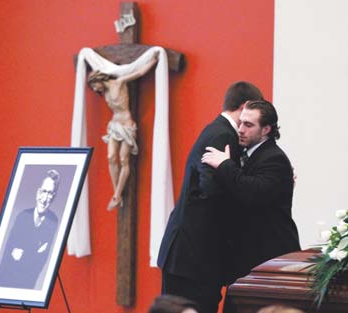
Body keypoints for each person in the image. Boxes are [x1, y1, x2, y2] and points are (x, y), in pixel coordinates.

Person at [157, 82, 264, 313]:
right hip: (193, 259)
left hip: (189, 256)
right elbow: (210, 188)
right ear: (245, 106)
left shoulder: (215, 130)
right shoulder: (223, 135)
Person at [201, 99, 301, 282]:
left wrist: (224, 165)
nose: (240, 129)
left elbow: (253, 192)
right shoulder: (249, 153)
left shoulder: (274, 158)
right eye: (240, 123)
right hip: (249, 256)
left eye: (248, 125)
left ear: (266, 130)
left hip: (269, 256)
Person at [87, 52, 158, 211]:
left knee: (123, 159)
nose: (95, 89)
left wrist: (153, 60)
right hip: (114, 125)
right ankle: (116, 193)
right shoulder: (104, 92)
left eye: (94, 86)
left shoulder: (119, 82)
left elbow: (138, 72)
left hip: (126, 124)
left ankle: (117, 194)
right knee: (111, 157)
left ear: (99, 80)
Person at [0, 169, 60, 289]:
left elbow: (40, 261)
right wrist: (32, 253)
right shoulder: (22, 217)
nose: (45, 198)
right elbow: (9, 255)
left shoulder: (53, 221)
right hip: (6, 280)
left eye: (50, 193)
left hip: (28, 284)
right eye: (44, 191)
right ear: (38, 193)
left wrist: (23, 255)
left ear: (54, 197)